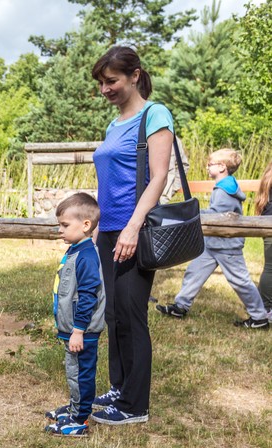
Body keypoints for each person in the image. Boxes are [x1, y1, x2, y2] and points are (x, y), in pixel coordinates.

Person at [89, 46, 174, 425]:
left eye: (112, 81)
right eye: (101, 83)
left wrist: (133, 226)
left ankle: (135, 405)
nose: (105, 89)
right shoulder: (114, 124)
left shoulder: (154, 114)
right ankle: (119, 386)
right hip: (108, 230)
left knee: (131, 313)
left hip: (134, 230)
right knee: (113, 314)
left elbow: (159, 176)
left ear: (135, 76)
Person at [155, 149, 268, 328]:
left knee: (240, 281)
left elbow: (217, 215)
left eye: (210, 164)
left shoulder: (225, 190)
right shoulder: (223, 186)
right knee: (194, 272)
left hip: (226, 245)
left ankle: (259, 317)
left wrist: (194, 214)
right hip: (212, 243)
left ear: (222, 167)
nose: (207, 167)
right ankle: (181, 305)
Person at [44, 193, 106, 436]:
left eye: (65, 225)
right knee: (74, 371)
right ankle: (75, 407)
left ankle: (79, 419)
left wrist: (78, 330)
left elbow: (88, 296)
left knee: (80, 373)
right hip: (73, 329)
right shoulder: (76, 250)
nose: (60, 230)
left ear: (86, 225)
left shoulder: (87, 256)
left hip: (82, 331)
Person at [257, 160, 272, 320]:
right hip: (270, 225)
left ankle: (260, 304)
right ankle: (266, 308)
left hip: (266, 223)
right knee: (270, 268)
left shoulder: (269, 174)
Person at [159, 136, 189, 204]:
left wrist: (172, 189)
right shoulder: (137, 133)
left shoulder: (172, 139)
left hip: (162, 199)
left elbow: (183, 166)